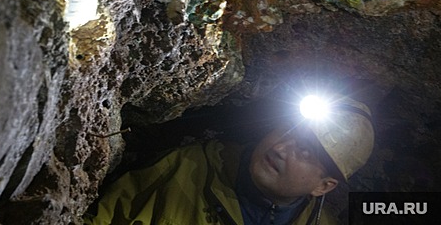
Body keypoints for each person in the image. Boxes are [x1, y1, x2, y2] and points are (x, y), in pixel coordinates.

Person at [83, 95, 375, 225]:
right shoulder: (186, 170)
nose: (281, 147)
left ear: (323, 186)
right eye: (287, 130)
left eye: (306, 150)